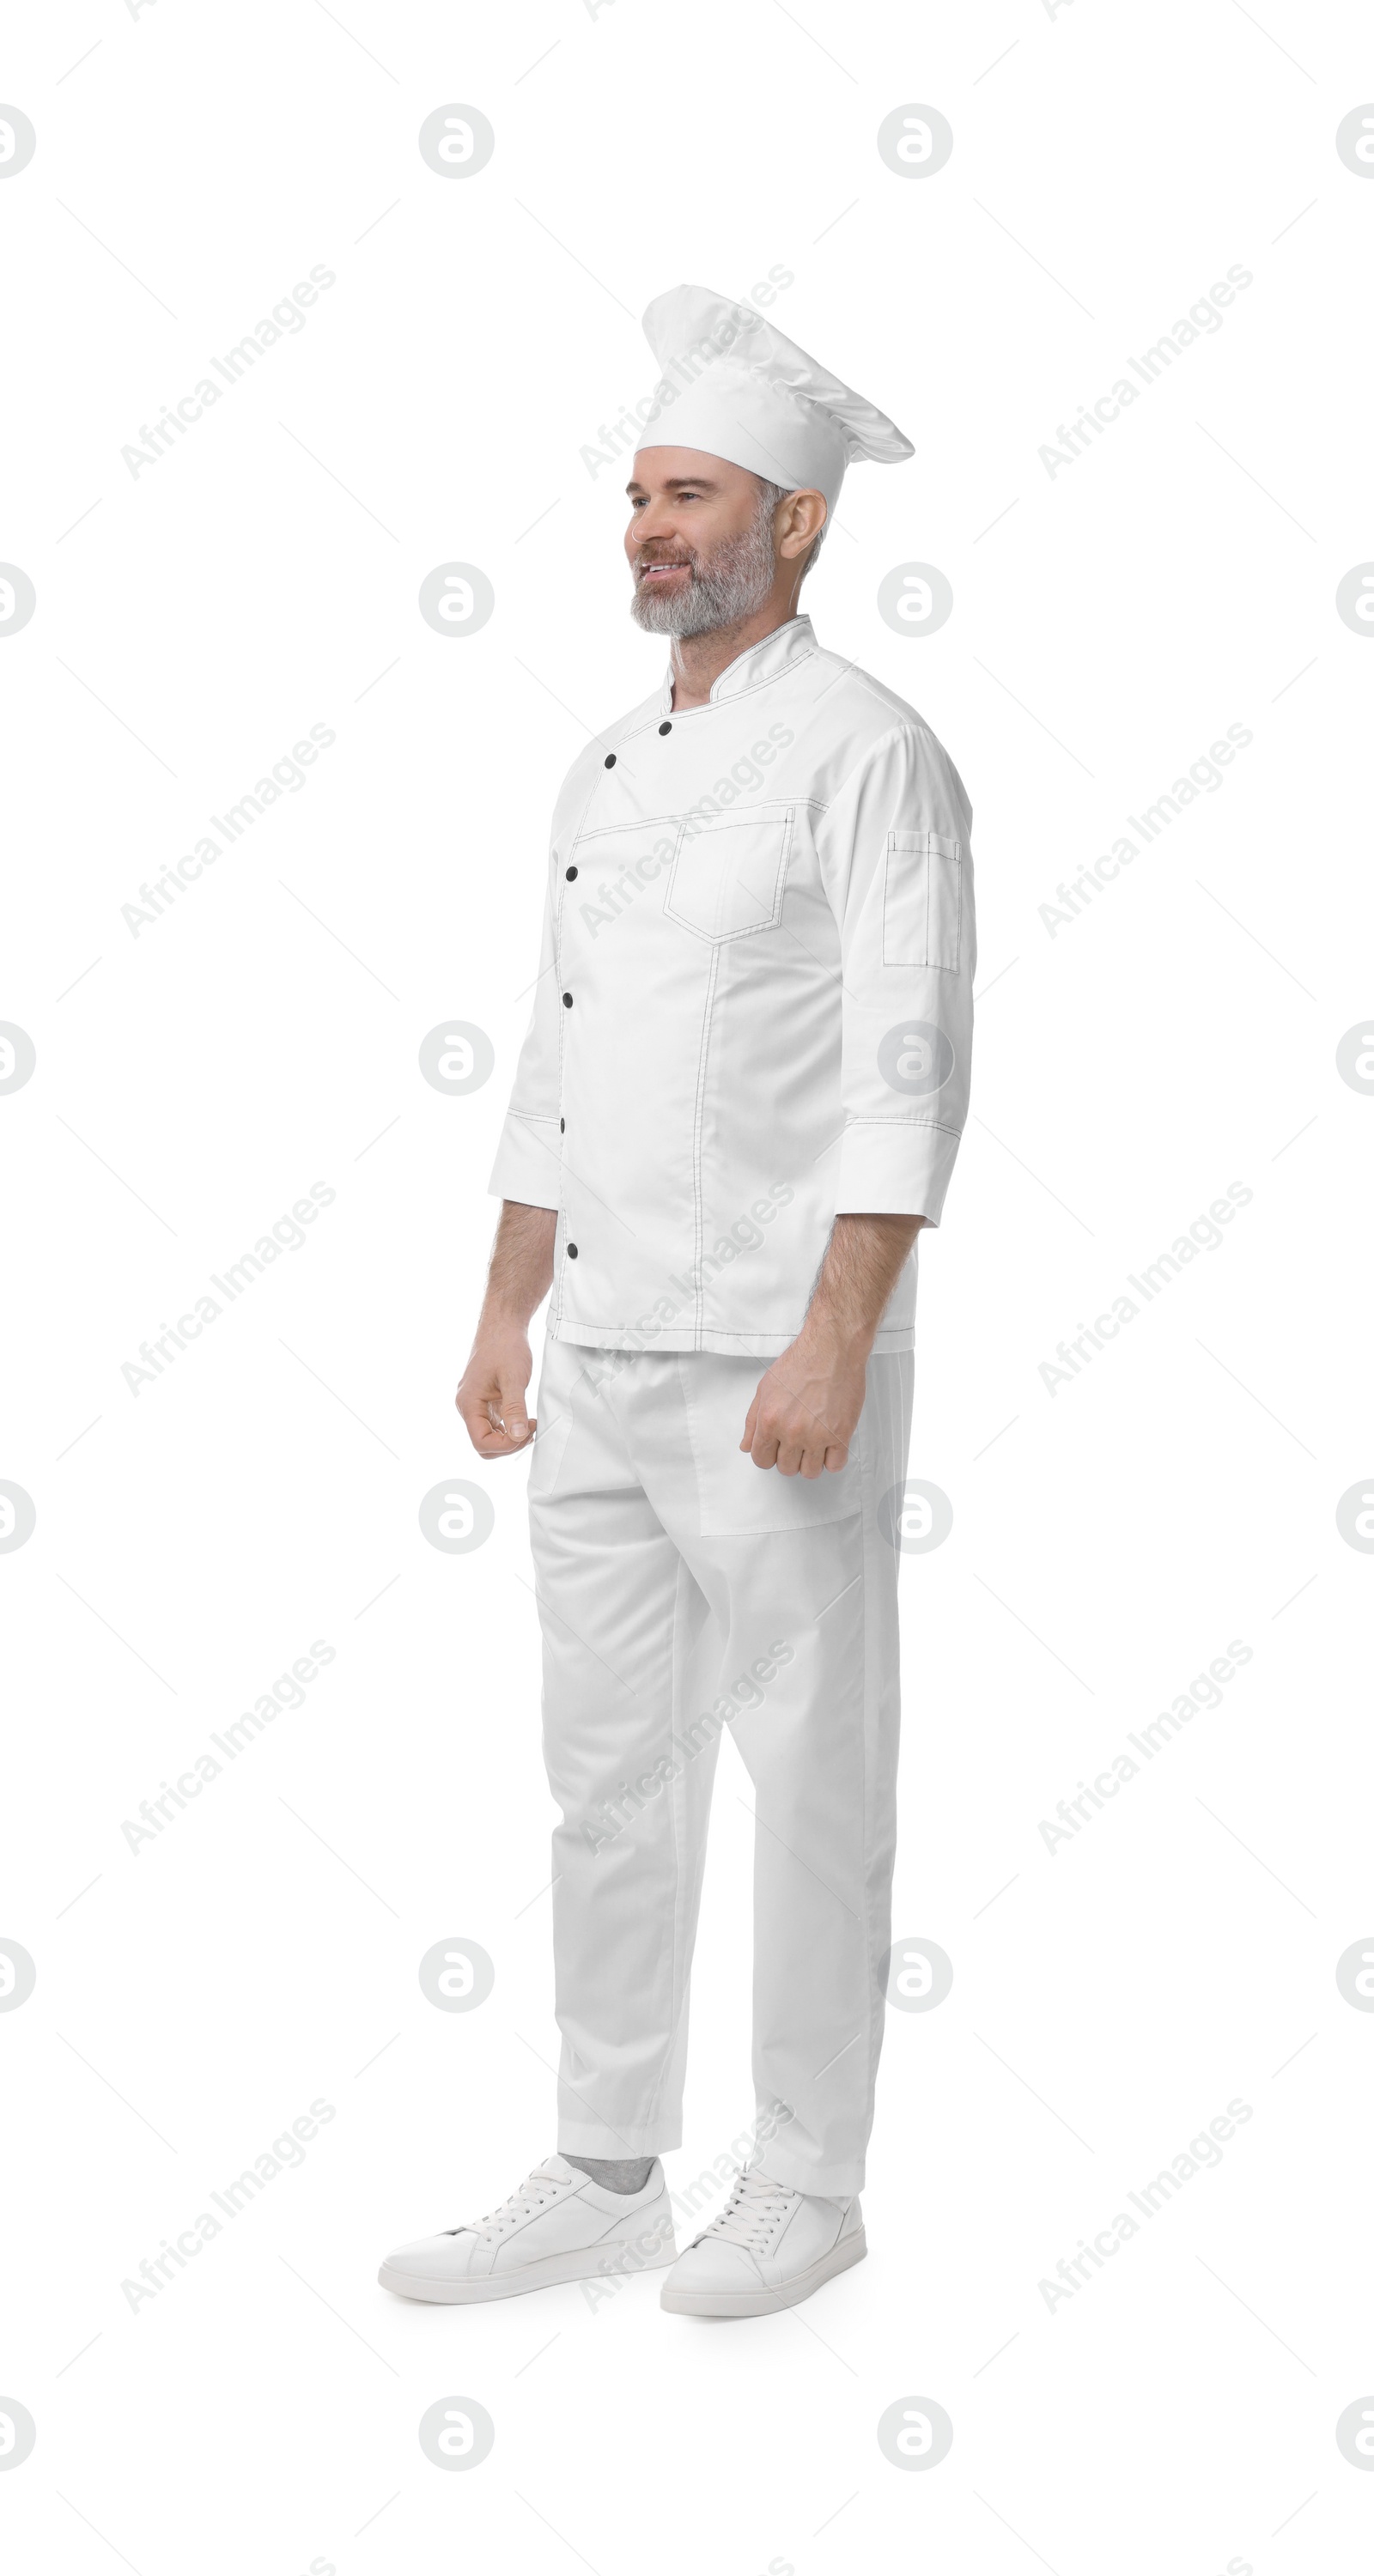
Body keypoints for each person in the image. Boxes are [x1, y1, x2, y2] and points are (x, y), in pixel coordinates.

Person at [380, 284, 976, 2320]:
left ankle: (806, 2180)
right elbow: (553, 1051)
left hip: (770, 1367)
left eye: (690, 494)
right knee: (606, 1774)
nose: (648, 529)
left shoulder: (873, 758)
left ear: (793, 524)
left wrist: (835, 1330)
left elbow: (908, 1051)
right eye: (635, 495)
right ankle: (606, 2162)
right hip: (601, 1356)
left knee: (811, 1761)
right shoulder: (599, 770)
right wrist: (498, 1310)